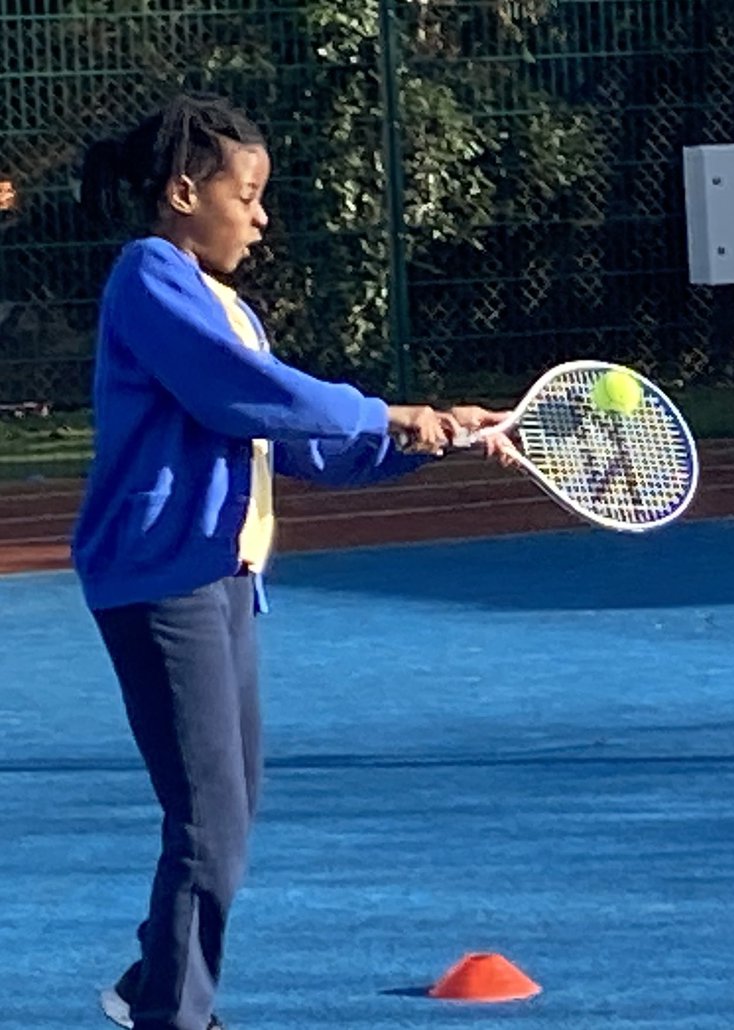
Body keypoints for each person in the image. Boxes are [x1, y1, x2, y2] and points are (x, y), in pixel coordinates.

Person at [72, 91, 508, 1030]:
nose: (263, 218)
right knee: (208, 823)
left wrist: (425, 436)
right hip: (160, 581)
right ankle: (175, 1017)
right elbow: (245, 397)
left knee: (232, 807)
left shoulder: (232, 310)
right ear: (186, 192)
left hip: (223, 582)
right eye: (250, 194)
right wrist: (383, 409)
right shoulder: (149, 275)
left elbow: (301, 443)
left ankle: (154, 982)